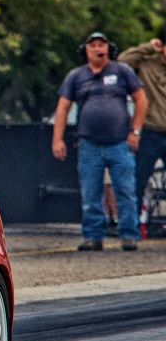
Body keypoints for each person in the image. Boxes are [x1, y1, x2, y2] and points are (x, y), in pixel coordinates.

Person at [52, 32, 147, 252]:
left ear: (108, 49)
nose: (97, 49)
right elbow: (63, 107)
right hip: (89, 143)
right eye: (92, 45)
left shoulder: (122, 71)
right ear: (85, 50)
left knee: (125, 190)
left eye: (101, 45)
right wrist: (57, 138)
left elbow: (141, 99)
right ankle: (93, 236)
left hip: (119, 142)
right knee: (90, 192)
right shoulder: (77, 76)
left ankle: (128, 234)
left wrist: (135, 131)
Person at [118, 36, 166, 211]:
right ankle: (131, 225)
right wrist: (147, 46)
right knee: (137, 180)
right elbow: (123, 62)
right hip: (150, 131)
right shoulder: (147, 64)